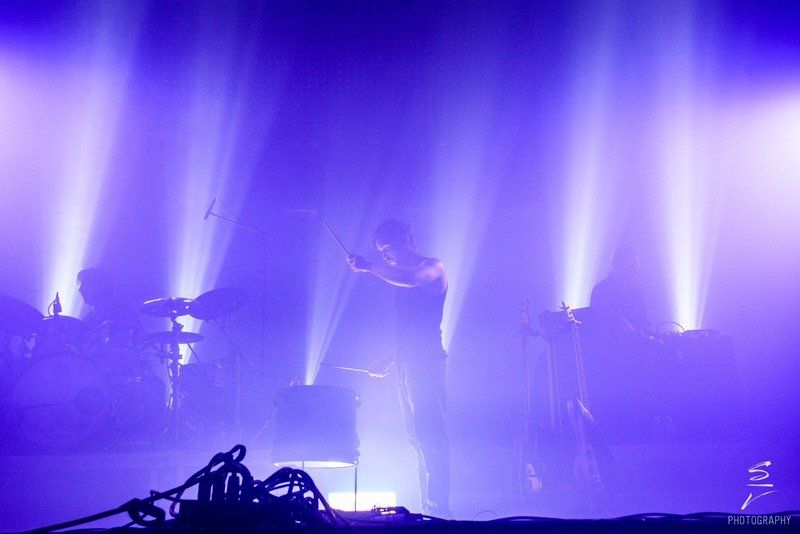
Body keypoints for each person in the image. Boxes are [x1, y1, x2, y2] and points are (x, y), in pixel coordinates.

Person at [346, 218, 450, 516]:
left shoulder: (433, 267)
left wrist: (368, 267)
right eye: (381, 252)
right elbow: (412, 327)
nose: (385, 256)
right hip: (407, 363)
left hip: (427, 362)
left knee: (430, 435)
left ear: (407, 238)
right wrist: (391, 356)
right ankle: (428, 508)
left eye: (388, 248)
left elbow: (410, 279)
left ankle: (440, 509)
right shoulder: (397, 278)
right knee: (417, 438)